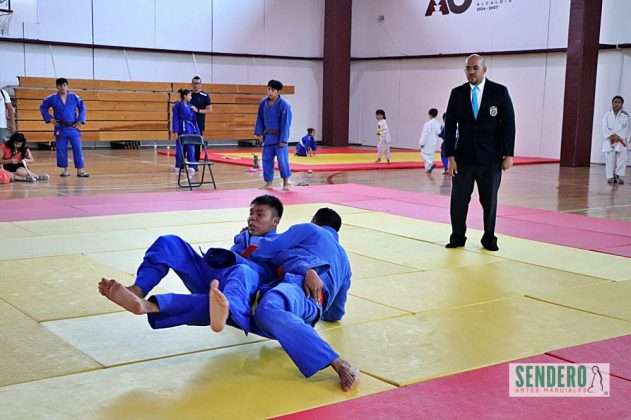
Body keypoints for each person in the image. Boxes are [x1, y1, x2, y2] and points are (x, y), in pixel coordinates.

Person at [211, 207, 358, 391]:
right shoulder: (345, 262)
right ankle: (294, 327)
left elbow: (270, 247)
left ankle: (336, 361)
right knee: (269, 307)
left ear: (314, 220)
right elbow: (336, 313)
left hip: (298, 285)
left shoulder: (310, 230)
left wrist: (245, 238)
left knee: (268, 308)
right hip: (313, 308)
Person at [98, 195, 282, 333]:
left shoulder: (282, 245)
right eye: (251, 213)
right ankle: (138, 289)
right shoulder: (243, 237)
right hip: (216, 279)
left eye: (260, 215)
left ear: (275, 221)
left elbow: (294, 269)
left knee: (240, 273)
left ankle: (151, 306)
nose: (252, 218)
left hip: (241, 294)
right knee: (169, 242)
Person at [444, 54, 515, 251]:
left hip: (490, 158)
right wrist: (450, 156)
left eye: (475, 68)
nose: (471, 72)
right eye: (468, 68)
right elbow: (449, 127)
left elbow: (509, 124)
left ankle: (489, 237)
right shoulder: (457, 93)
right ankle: (458, 236)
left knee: (489, 201)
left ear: (484, 70)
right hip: (463, 158)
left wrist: (508, 154)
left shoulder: (499, 92)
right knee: (458, 201)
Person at [39, 78, 89, 177]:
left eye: (64, 85)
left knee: (77, 148)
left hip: (73, 127)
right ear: (57, 87)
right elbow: (43, 107)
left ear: (67, 86)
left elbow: (83, 107)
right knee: (61, 149)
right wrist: (50, 119)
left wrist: (80, 120)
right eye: (60, 86)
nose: (62, 87)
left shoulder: (74, 97)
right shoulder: (52, 98)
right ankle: (65, 170)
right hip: (60, 127)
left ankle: (80, 170)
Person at [255, 80, 293, 190]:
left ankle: (285, 183)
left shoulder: (284, 105)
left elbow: (286, 123)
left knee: (282, 161)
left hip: (280, 138)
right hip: (268, 137)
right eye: (268, 89)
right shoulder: (263, 103)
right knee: (266, 160)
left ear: (278, 92)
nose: (270, 92)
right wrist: (259, 133)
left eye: (272, 90)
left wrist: (284, 139)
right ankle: (269, 183)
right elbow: (260, 118)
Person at [172, 88, 200, 177]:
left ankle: (192, 166)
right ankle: (179, 165)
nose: (191, 97)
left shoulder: (191, 106)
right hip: (181, 129)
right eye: (190, 95)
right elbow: (175, 118)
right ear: (185, 96)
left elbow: (194, 120)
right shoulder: (177, 105)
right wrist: (175, 131)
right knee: (180, 149)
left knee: (191, 148)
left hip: (190, 129)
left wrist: (197, 131)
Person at [602, 95, 628, 185]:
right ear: (612, 103)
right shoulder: (607, 115)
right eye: (615, 102)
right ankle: (610, 177)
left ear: (622, 104)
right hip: (610, 140)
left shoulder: (625, 116)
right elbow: (604, 128)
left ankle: (618, 176)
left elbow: (626, 128)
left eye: (619, 102)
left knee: (622, 158)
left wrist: (619, 137)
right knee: (609, 159)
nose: (617, 104)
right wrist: (612, 136)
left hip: (621, 140)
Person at [190, 76, 212, 161]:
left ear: (201, 84)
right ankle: (187, 160)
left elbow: (209, 109)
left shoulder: (205, 96)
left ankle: (196, 161)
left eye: (197, 83)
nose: (196, 85)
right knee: (187, 141)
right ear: (192, 84)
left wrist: (198, 110)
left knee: (197, 142)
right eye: (194, 83)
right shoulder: (189, 95)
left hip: (199, 123)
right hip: (189, 123)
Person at [419, 108, 442, 173]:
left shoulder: (428, 124)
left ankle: (431, 164)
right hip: (434, 141)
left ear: (430, 114)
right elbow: (439, 132)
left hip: (427, 141)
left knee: (423, 153)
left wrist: (421, 143)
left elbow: (425, 134)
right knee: (430, 155)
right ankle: (428, 169)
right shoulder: (438, 124)